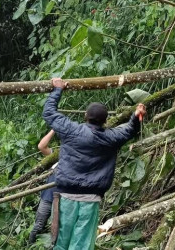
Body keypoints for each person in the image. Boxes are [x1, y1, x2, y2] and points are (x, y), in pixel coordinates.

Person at [42, 78, 146, 250]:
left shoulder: (70, 130)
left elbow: (49, 113)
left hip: (65, 196)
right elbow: (129, 130)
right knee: (82, 245)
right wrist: (136, 117)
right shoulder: (111, 138)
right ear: (105, 121)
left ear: (85, 116)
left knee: (60, 242)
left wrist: (57, 89)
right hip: (91, 199)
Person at [28, 129, 57, 244]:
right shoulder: (56, 155)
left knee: (58, 229)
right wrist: (54, 129)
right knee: (38, 226)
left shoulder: (77, 158)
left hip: (63, 200)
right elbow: (41, 146)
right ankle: (30, 246)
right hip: (47, 197)